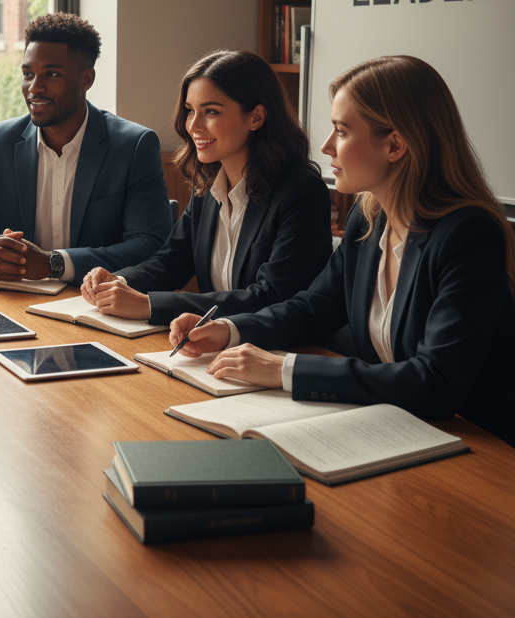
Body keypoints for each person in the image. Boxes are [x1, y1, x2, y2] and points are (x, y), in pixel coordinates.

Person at [171, 55, 515, 446]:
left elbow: (436, 381)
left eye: (341, 131)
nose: (326, 146)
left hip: (480, 445)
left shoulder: (468, 235)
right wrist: (229, 330)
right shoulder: (368, 220)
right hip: (394, 426)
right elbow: (312, 309)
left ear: (395, 145)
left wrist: (284, 368)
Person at [80, 50, 332, 325]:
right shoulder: (208, 185)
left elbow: (270, 297)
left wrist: (150, 305)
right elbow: (172, 261)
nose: (193, 126)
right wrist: (118, 281)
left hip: (278, 344)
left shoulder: (302, 192)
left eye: (211, 111)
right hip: (215, 341)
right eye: (190, 111)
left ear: (256, 117)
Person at [0, 13, 171, 284]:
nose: (34, 88)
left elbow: (150, 244)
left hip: (96, 299)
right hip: (15, 299)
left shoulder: (133, 146)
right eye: (28, 74)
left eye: (52, 74)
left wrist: (54, 264)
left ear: (86, 79)